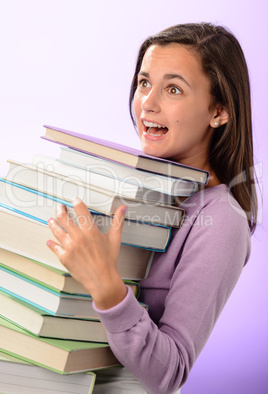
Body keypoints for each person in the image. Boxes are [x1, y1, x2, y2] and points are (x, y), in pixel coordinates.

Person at [46, 22, 258, 393]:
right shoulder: (128, 186)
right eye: (144, 83)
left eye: (173, 89)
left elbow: (169, 372)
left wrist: (108, 288)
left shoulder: (223, 220)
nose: (148, 103)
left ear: (219, 111)